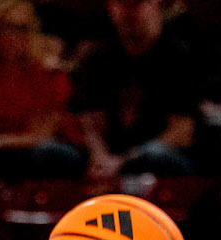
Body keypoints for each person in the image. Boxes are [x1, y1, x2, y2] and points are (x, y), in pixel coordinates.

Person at [70, 0, 202, 180]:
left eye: (136, 4)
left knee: (156, 156)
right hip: (107, 156)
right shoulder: (98, 59)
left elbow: (182, 132)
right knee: (52, 153)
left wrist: (125, 161)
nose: (128, 12)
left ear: (155, 4)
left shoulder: (178, 57)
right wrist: (101, 157)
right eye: (122, 5)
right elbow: (89, 123)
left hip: (156, 156)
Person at [0, 0, 79, 175]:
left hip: (40, 152)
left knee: (48, 153)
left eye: (21, 29)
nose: (13, 36)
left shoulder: (50, 76)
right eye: (6, 28)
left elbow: (40, 136)